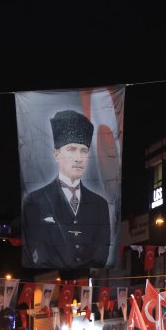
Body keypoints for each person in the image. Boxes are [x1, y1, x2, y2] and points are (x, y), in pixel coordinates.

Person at [21, 109, 111, 268]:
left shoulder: (100, 205)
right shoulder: (34, 201)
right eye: (71, 149)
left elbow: (102, 252)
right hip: (50, 279)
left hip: (88, 280)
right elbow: (32, 251)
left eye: (84, 151)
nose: (78, 158)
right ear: (57, 154)